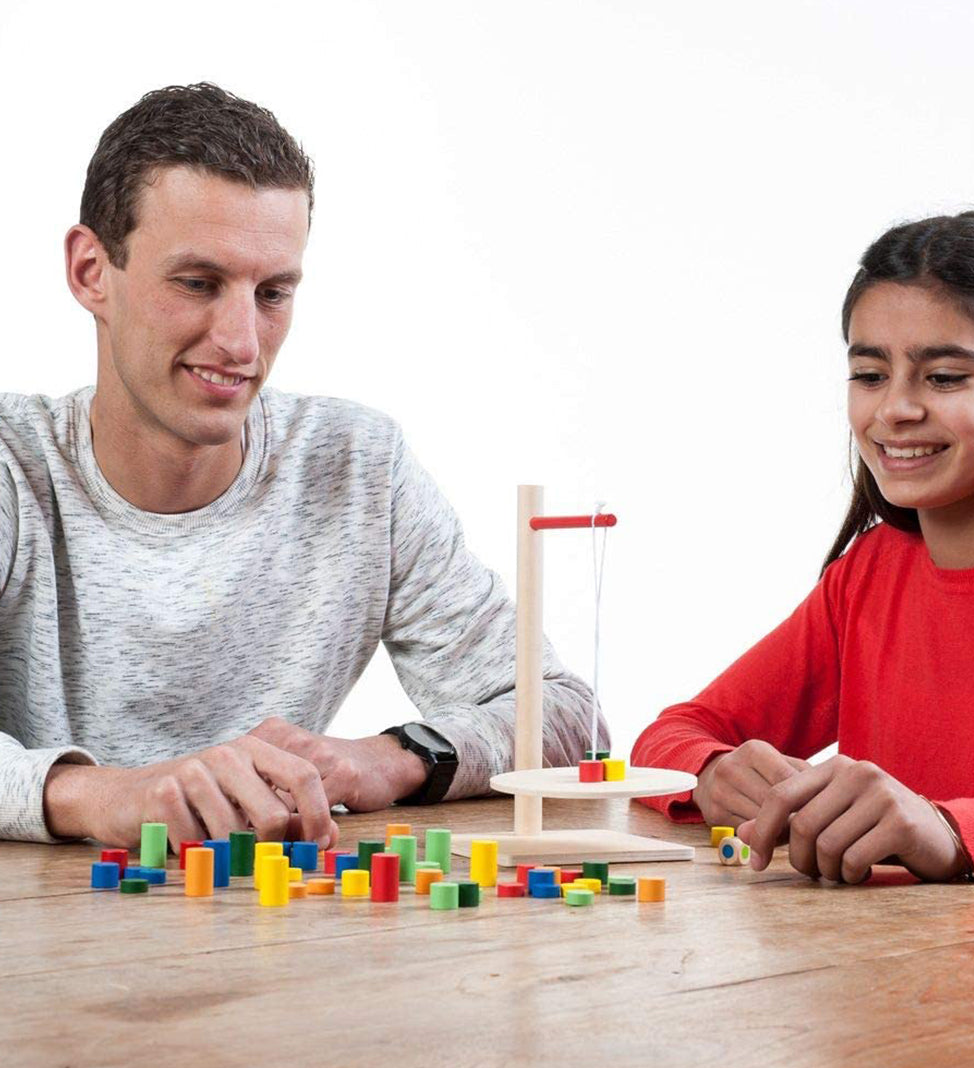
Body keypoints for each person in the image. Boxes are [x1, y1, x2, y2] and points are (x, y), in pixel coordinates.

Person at [0, 83, 602, 852]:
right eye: (197, 284)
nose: (243, 342)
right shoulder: (12, 467)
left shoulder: (357, 469)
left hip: (281, 941)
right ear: (91, 271)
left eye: (274, 293)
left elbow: (567, 718)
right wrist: (101, 795)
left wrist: (393, 758)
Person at [632, 210, 974, 884]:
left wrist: (953, 830)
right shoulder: (868, 576)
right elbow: (672, 734)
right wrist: (714, 773)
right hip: (889, 979)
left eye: (945, 378)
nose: (894, 409)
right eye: (870, 375)